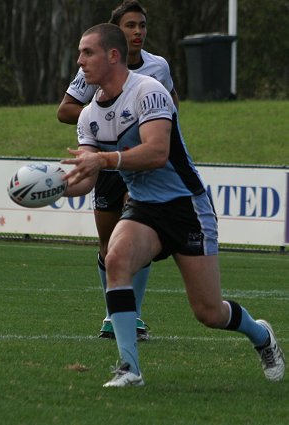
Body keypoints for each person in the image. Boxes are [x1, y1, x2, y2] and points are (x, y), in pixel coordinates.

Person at [62, 23, 285, 388]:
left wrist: (103, 161)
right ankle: (129, 368)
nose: (80, 61)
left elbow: (156, 152)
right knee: (115, 259)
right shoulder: (88, 115)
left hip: (186, 205)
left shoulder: (148, 92)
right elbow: (86, 177)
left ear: (113, 56)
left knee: (209, 312)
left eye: (88, 53)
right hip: (144, 206)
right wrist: (55, 186)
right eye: (80, 53)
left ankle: (260, 335)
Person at [57, 0, 179, 340]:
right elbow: (65, 110)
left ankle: (131, 315)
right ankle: (115, 312)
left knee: (131, 236)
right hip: (104, 163)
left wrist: (156, 130)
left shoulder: (157, 70)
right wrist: (100, 115)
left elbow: (172, 106)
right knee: (107, 245)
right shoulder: (93, 69)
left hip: (141, 168)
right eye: (130, 26)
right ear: (115, 35)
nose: (138, 32)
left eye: (142, 25)